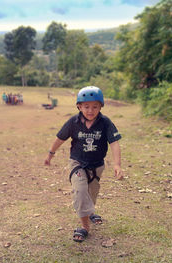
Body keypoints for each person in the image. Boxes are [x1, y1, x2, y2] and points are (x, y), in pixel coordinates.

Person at [44, 86, 122, 242]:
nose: (90, 110)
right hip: (77, 162)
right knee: (80, 191)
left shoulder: (105, 122)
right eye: (86, 106)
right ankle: (85, 226)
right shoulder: (73, 122)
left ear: (101, 107)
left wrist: (117, 164)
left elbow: (114, 143)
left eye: (95, 106)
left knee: (91, 193)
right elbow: (60, 138)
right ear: (79, 106)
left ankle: (91, 212)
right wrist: (50, 154)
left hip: (97, 165)